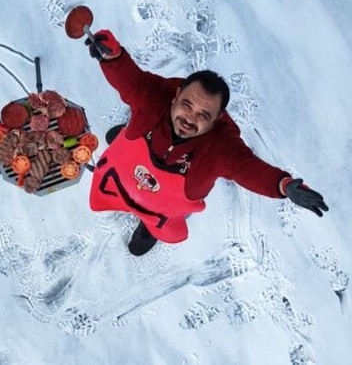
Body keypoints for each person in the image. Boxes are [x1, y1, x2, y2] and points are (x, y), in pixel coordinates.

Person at [81, 29, 329, 256]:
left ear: (218, 118)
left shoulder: (221, 146)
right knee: (123, 159)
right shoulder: (155, 96)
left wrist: (282, 185)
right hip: (124, 172)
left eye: (204, 115)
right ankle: (128, 135)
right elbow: (132, 81)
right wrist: (113, 57)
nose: (190, 118)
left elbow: (247, 168)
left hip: (162, 203)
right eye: (187, 105)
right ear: (176, 95)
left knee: (156, 216)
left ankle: (148, 226)